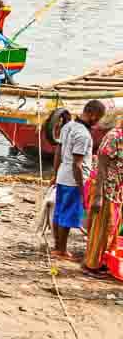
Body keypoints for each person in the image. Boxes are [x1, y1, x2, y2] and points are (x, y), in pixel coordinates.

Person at [52, 100, 106, 260]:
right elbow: (78, 164)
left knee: (59, 212)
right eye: (99, 118)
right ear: (93, 114)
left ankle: (57, 246)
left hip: (63, 175)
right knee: (68, 215)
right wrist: (82, 188)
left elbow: (58, 152)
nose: (98, 122)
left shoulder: (68, 126)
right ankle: (61, 250)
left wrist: (55, 175)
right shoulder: (83, 134)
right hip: (73, 180)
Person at [84, 115, 123, 278]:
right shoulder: (114, 137)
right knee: (101, 228)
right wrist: (98, 195)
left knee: (110, 229)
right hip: (106, 189)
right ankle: (91, 265)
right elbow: (101, 166)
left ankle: (103, 261)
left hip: (117, 191)